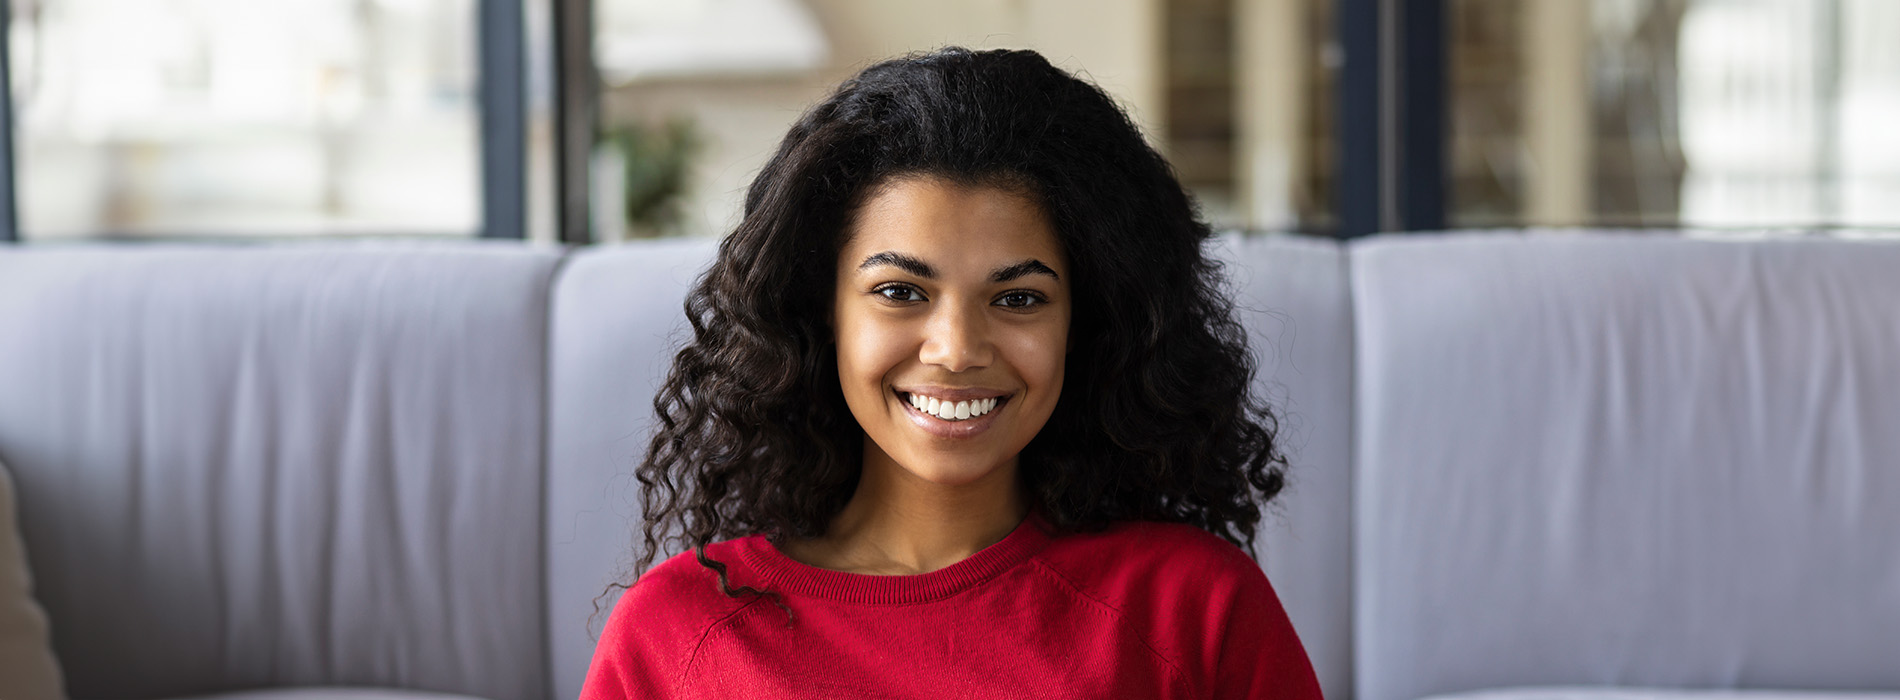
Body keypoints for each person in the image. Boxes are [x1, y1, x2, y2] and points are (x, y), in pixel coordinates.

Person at [580, 47, 1322, 699]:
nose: (957, 347)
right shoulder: (678, 631)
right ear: (822, 313)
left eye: (1019, 298)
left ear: (1085, 326)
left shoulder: (1194, 608)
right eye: (901, 292)